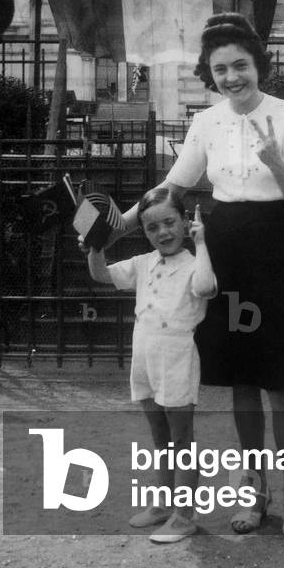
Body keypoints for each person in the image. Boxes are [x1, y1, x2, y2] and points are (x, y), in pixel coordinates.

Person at [117, 12, 284, 542]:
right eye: (221, 69)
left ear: (259, 65)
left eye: (241, 66)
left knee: (282, 383)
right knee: (242, 382)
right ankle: (254, 494)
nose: (232, 77)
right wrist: (115, 225)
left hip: (277, 251)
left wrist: (276, 160)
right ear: (210, 75)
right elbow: (172, 188)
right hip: (227, 251)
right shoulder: (205, 122)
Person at [80, 187, 217, 544]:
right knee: (160, 440)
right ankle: (163, 504)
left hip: (175, 358)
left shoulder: (194, 264)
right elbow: (101, 275)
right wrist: (95, 247)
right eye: (153, 228)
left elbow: (206, 288)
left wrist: (201, 245)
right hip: (144, 356)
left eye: (170, 223)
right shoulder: (143, 263)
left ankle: (185, 516)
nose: (163, 233)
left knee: (182, 440)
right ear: (145, 232)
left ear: (186, 223)